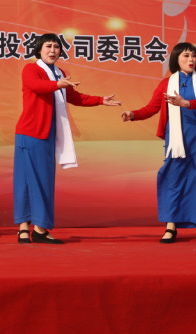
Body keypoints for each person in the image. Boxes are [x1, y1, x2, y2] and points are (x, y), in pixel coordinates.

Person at [14, 33, 120, 245]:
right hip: (30, 133)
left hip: (46, 133)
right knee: (24, 181)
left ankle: (39, 229)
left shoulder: (59, 73)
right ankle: (24, 227)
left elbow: (74, 97)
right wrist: (57, 84)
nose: (52, 50)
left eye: (56, 47)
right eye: (48, 46)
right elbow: (37, 86)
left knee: (42, 180)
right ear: (39, 49)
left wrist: (100, 100)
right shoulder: (31, 69)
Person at [121, 42, 196, 244]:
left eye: (193, 55)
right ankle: (170, 227)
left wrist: (187, 103)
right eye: (186, 56)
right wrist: (133, 114)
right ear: (176, 59)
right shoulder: (166, 84)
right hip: (175, 138)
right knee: (173, 179)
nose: (191, 59)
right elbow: (151, 108)